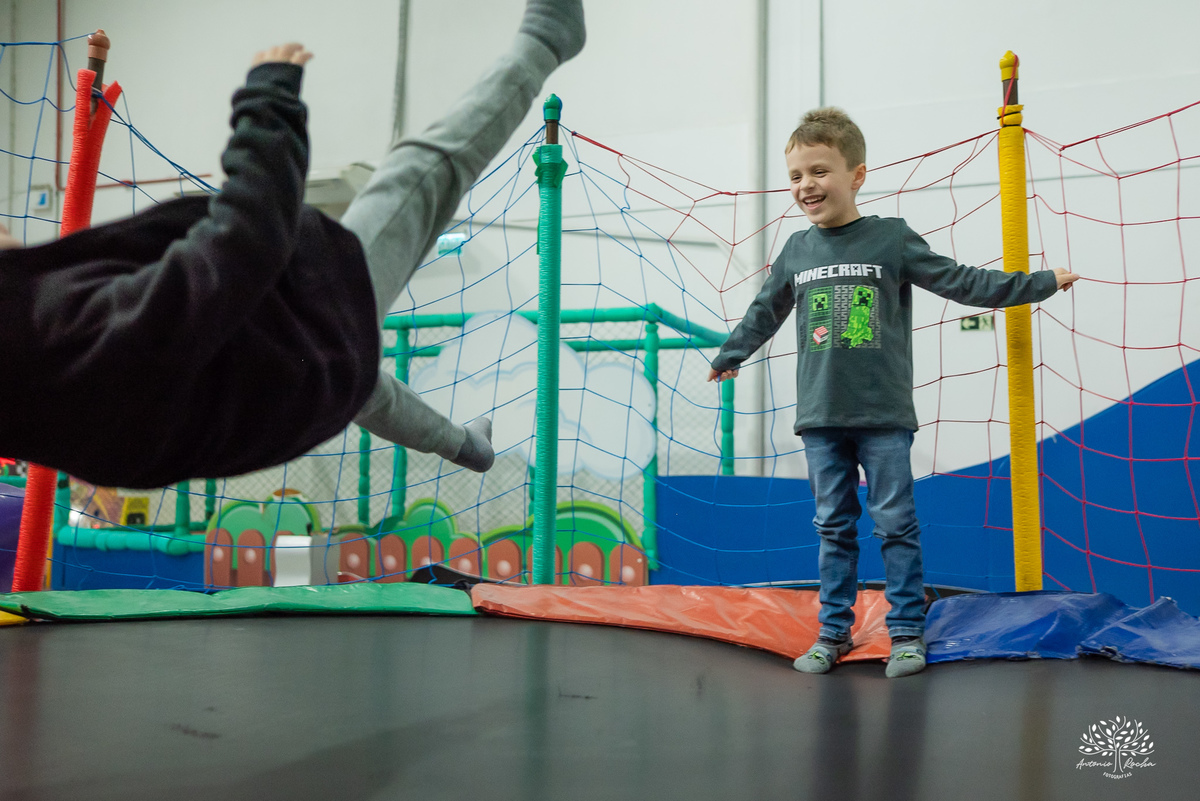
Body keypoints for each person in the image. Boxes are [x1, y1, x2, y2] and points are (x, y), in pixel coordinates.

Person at [0, 1, 586, 490]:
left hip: (279, 390)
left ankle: (469, 449)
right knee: (418, 174)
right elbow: (241, 245)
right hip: (293, 348)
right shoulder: (47, 332)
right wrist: (268, 104)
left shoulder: (31, 364)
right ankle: (546, 42)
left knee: (362, 386)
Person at [707, 107, 1079, 678]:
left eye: (820, 171)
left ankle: (906, 631)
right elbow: (765, 312)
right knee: (833, 527)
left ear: (855, 175)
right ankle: (834, 631)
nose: (807, 185)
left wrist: (1036, 284)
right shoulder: (796, 251)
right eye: (796, 176)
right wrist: (732, 354)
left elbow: (962, 281)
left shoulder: (890, 238)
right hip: (820, 416)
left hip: (882, 415)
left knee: (894, 525)